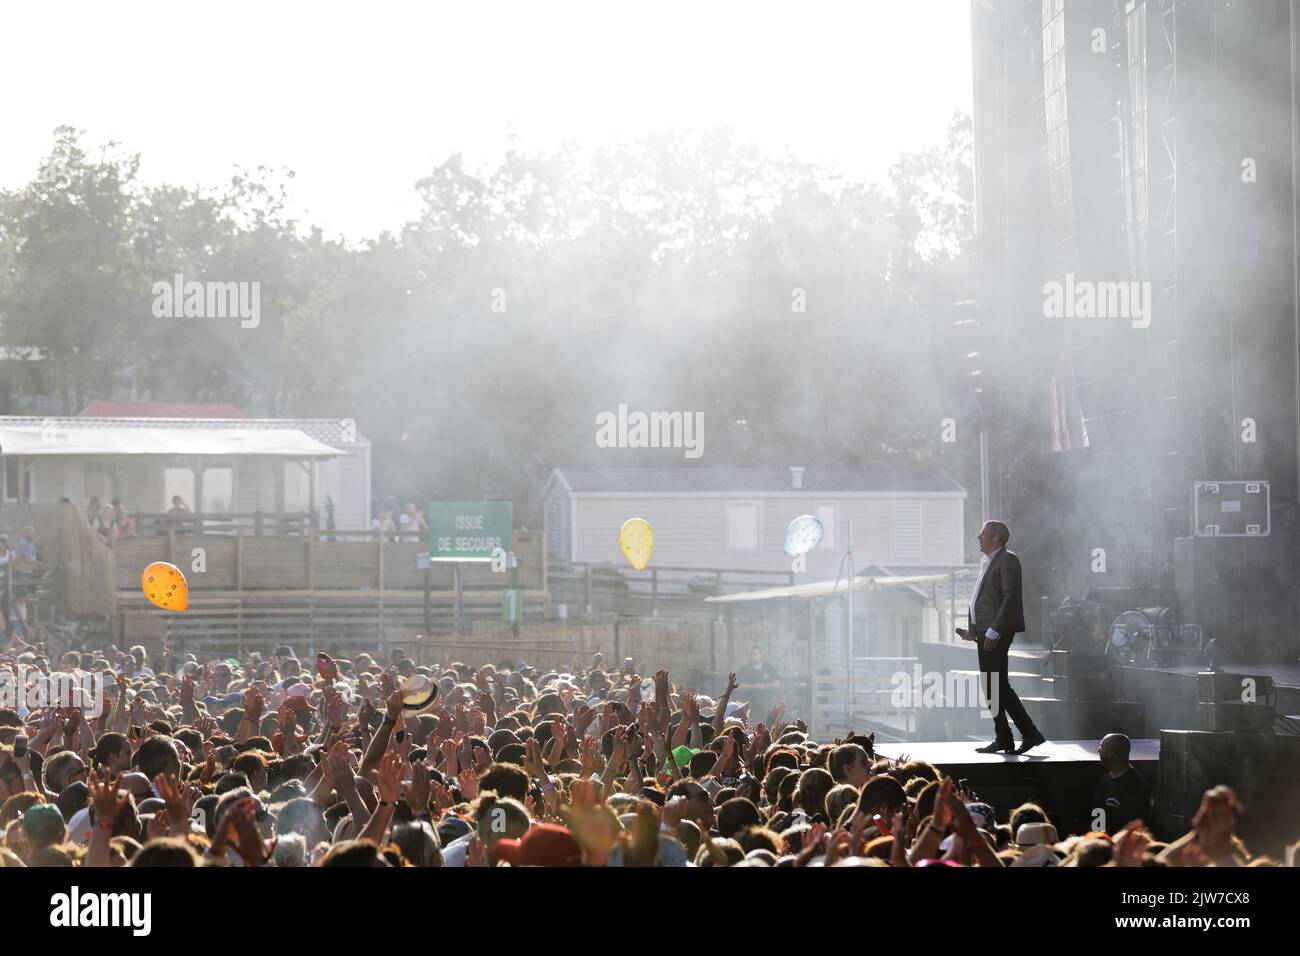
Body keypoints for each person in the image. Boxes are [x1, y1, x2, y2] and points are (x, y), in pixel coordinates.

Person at [957, 520, 1045, 755]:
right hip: (985, 632)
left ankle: (1029, 733)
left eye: (983, 533)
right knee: (991, 685)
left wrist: (995, 629)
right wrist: (972, 630)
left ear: (995, 538)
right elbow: (982, 598)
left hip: (996, 632)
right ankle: (1005, 737)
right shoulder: (988, 561)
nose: (979, 537)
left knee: (998, 685)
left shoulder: (1008, 560)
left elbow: (1010, 596)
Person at [1092, 734, 1151, 834]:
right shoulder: (1104, 781)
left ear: (1110, 753)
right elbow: (1098, 816)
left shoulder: (1136, 786)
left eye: (1102, 746)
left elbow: (1134, 827)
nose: (1098, 750)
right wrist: (1098, 838)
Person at [737, 647, 780, 719]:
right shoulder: (745, 669)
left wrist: (765, 686)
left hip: (767, 703)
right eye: (751, 654)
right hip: (749, 703)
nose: (753, 656)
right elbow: (738, 685)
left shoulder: (769, 668)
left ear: (761, 655)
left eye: (755, 653)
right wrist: (755, 686)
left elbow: (778, 683)